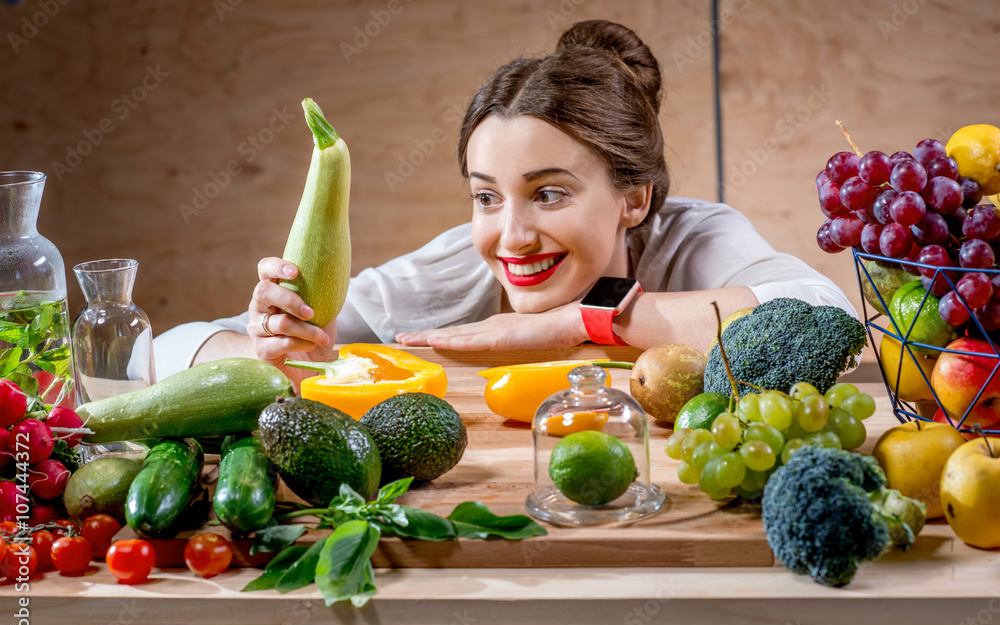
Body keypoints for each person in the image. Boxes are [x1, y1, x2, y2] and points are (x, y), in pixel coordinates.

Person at [153, 20, 855, 383]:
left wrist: (583, 323)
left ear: (633, 197)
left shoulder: (695, 242)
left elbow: (830, 319)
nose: (511, 237)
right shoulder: (462, 267)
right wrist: (270, 347)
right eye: (487, 197)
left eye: (549, 193)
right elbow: (161, 350)